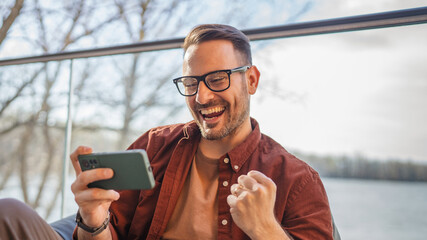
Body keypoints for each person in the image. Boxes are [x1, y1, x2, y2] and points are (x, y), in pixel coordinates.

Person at [0, 24, 334, 240]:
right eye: (191, 83)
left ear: (251, 80)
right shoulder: (154, 146)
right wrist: (93, 218)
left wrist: (265, 231)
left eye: (217, 79)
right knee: (9, 213)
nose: (202, 97)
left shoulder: (297, 181)